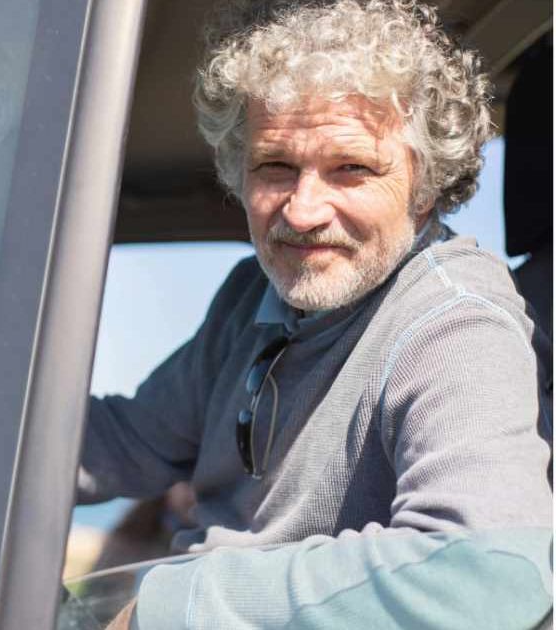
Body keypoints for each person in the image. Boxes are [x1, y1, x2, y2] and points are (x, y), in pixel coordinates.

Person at [78, 1, 553, 627]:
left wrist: (173, 608)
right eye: (275, 166)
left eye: (351, 169)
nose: (302, 212)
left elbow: (489, 573)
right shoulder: (250, 297)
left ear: (426, 183)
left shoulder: (454, 320)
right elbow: (125, 444)